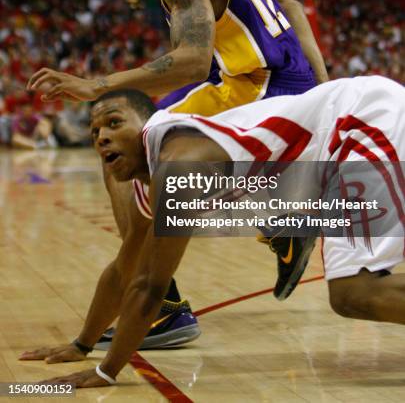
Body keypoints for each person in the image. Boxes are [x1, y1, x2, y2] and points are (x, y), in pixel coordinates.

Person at [27, 0, 328, 348]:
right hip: (255, 80)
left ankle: (165, 304)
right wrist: (320, 91)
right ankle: (275, 224)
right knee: (129, 148)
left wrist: (96, 84)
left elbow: (190, 60)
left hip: (267, 87)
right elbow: (293, 8)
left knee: (144, 160)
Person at [20, 75, 405, 387]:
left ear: (146, 124)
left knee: (355, 291)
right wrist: (82, 343)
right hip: (343, 140)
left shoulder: (179, 161)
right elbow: (126, 269)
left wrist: (107, 371)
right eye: (95, 131)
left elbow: (152, 286)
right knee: (354, 290)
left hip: (357, 121)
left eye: (114, 122)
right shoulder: (151, 174)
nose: (101, 136)